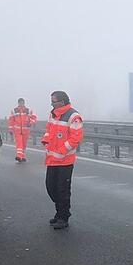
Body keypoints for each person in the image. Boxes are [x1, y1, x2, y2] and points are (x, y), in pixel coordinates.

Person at [41, 91, 84, 230]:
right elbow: (49, 130)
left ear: (62, 101)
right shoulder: (53, 113)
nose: (51, 104)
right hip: (52, 159)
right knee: (50, 187)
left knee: (62, 190)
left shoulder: (73, 116)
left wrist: (60, 152)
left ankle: (63, 216)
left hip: (65, 161)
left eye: (54, 101)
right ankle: (59, 211)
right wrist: (46, 141)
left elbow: (75, 138)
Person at [8, 98, 37, 163]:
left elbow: (34, 118)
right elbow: (11, 120)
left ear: (24, 103)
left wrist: (30, 123)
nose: (21, 104)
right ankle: (19, 156)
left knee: (24, 144)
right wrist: (10, 129)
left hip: (26, 130)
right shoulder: (14, 110)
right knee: (19, 143)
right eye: (20, 102)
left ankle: (23, 156)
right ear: (18, 103)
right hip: (17, 130)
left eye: (22, 102)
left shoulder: (28, 110)